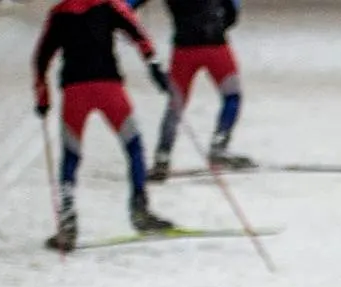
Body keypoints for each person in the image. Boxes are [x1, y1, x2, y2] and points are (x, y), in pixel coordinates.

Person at [33, 0, 178, 251]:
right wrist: (154, 67)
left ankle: (67, 221)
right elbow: (138, 33)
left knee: (71, 155)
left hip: (74, 91)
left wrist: (43, 96)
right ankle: (139, 208)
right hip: (109, 88)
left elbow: (41, 58)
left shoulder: (58, 13)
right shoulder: (110, 5)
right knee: (133, 146)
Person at [132, 0, 250, 179]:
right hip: (215, 44)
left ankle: (163, 156)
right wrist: (222, 24)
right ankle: (219, 145)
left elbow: (128, 5)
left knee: (175, 105)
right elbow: (232, 8)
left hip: (184, 48)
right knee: (232, 96)